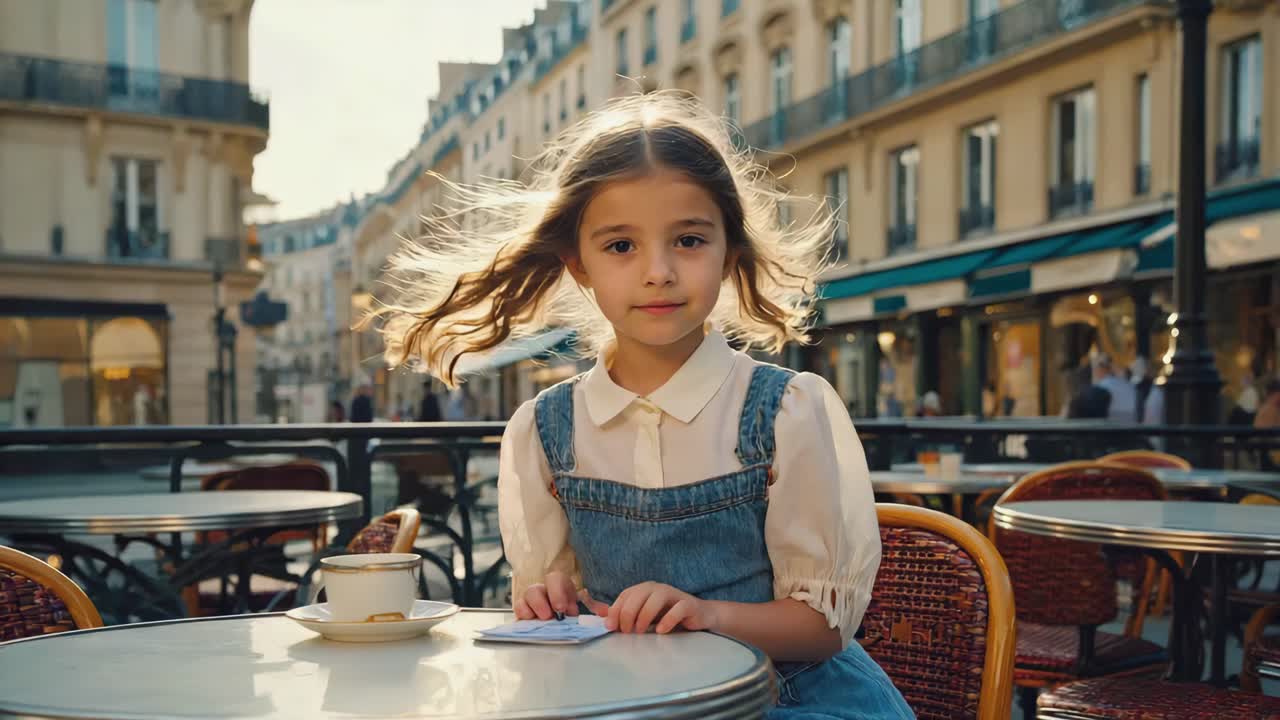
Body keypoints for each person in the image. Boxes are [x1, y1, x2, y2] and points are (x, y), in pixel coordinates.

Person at [374, 93, 914, 718]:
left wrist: (707, 616)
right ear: (578, 265)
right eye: (621, 247)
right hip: (626, 701)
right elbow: (560, 621)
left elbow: (822, 630)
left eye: (687, 239)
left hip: (787, 698)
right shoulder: (543, 432)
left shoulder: (789, 409)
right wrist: (553, 603)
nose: (657, 271)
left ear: (728, 253)